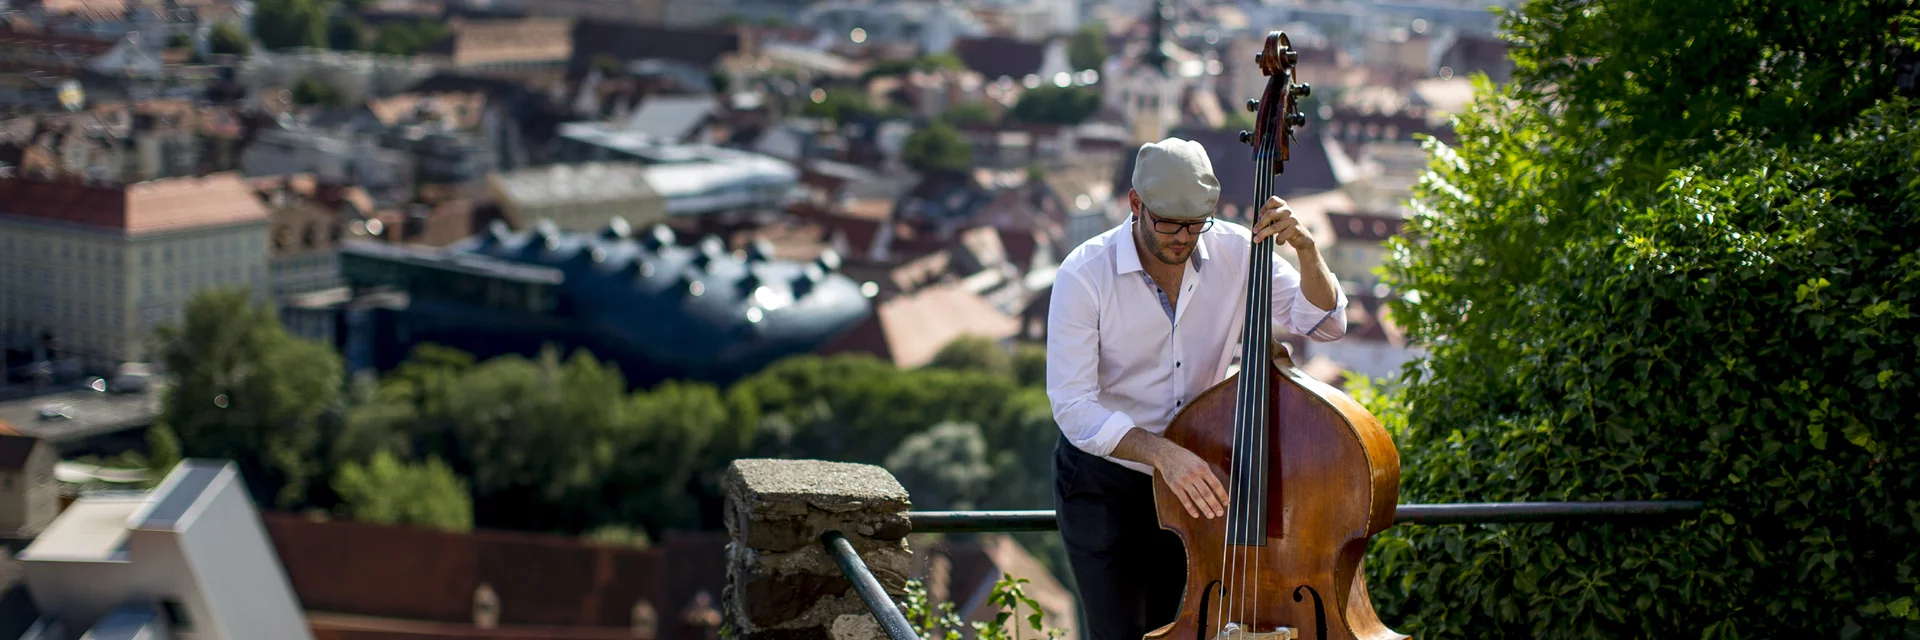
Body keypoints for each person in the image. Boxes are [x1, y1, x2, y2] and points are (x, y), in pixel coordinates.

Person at [1045, 137, 1347, 640]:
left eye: (1194, 223)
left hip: (1197, 480)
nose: (1182, 238)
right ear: (1135, 203)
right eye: (1167, 222)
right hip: (1104, 478)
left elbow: (1323, 324)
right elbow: (1074, 406)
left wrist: (1307, 250)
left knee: (1181, 627)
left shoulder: (1236, 251)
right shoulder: (1084, 274)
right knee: (1118, 631)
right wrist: (1162, 454)